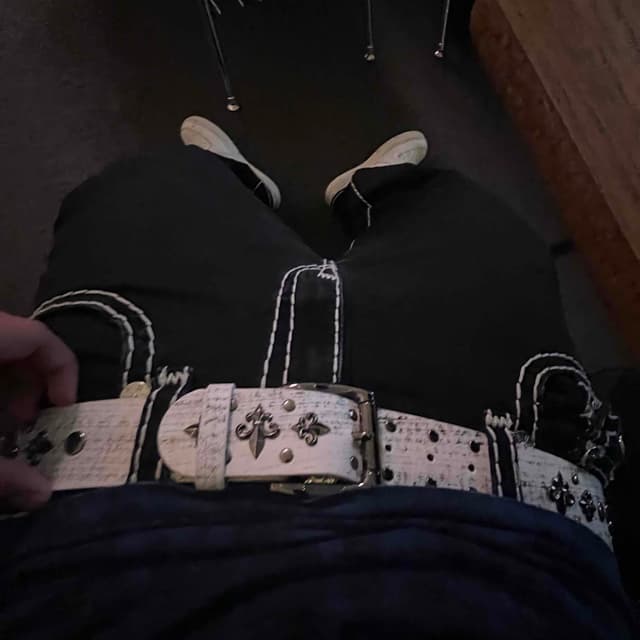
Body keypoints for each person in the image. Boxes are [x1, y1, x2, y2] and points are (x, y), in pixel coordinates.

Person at [0, 117, 637, 638]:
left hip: (90, 521)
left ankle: (224, 179)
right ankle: (380, 189)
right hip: (515, 533)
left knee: (145, 190)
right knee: (481, 228)